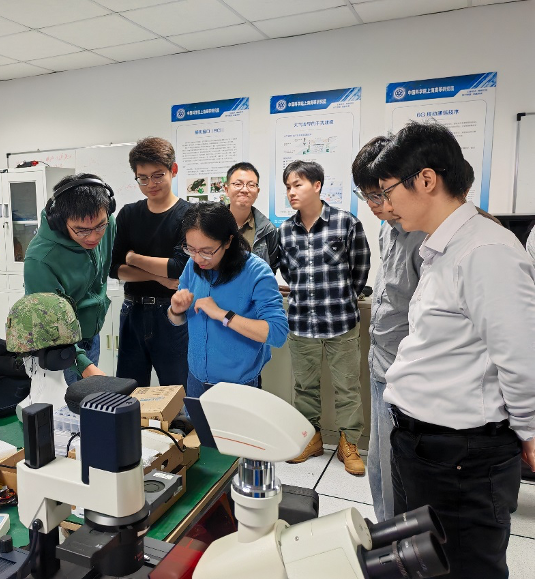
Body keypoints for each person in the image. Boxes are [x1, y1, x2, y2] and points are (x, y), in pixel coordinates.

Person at [371, 121, 535, 579]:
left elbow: (520, 356)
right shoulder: (442, 247)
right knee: (420, 564)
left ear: (426, 180)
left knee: (463, 567)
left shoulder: (485, 250)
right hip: (422, 445)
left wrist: (529, 430)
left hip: (460, 457)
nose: (386, 205)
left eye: (388, 191)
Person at [278, 160, 371, 476]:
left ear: (317, 185)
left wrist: (342, 298)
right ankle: (311, 439)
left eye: (298, 185)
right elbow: (288, 273)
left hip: (340, 321)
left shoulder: (346, 223)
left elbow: (359, 269)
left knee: (348, 387)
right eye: (288, 187)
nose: (291, 192)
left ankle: (349, 444)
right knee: (304, 387)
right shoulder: (285, 231)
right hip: (301, 322)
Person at [352, 136, 425, 521]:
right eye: (366, 196)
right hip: (380, 362)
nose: (374, 205)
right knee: (379, 466)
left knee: (400, 472)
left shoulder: (425, 235)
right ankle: (386, 532)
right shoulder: (387, 229)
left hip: (407, 375)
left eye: (380, 195)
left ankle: (398, 539)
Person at [167, 203, 288, 398]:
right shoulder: (193, 264)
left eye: (207, 251)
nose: (198, 258)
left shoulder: (256, 271)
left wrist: (223, 315)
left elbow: (277, 333)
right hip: (196, 377)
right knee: (196, 420)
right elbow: (177, 320)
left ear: (228, 241)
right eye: (191, 249)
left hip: (238, 384)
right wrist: (176, 310)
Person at [110, 137, 189, 387]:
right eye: (142, 178)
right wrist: (156, 276)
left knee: (177, 388)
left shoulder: (189, 214)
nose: (150, 184)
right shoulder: (128, 214)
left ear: (173, 170)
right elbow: (114, 269)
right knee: (129, 390)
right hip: (132, 310)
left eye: (158, 176)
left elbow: (177, 267)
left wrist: (133, 258)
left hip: (170, 312)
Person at [23, 173, 115, 385]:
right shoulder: (40, 259)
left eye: (100, 226)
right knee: (69, 404)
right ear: (60, 221)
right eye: (81, 231)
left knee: (89, 400)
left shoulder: (108, 223)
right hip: (61, 347)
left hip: (91, 335)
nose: (93, 237)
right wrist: (83, 364)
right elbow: (49, 324)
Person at [6, 292, 82, 413]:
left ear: (32, 360)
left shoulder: (29, 409)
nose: (22, 359)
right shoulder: (74, 404)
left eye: (22, 354)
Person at [224, 162, 279, 273]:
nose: (245, 190)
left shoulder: (268, 230)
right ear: (226, 190)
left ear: (257, 191)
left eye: (251, 185)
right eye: (238, 184)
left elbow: (270, 268)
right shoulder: (211, 224)